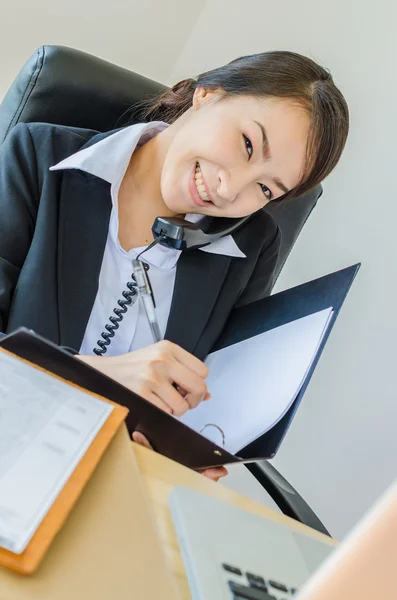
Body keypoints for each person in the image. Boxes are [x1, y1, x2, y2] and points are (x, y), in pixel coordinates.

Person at [0, 51, 349, 480]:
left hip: (110, 485)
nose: (229, 189)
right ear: (208, 94)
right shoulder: (35, 155)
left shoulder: (251, 248)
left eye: (265, 187)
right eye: (247, 145)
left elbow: (210, 405)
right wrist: (98, 376)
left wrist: (188, 454)